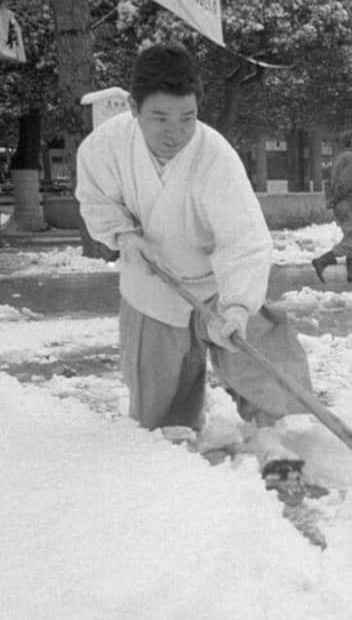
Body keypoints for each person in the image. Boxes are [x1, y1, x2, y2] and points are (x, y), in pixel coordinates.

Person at [75, 42, 312, 474]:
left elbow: (244, 240)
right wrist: (125, 235)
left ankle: (269, 435)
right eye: (159, 118)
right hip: (151, 281)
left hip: (215, 280)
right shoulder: (104, 147)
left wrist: (238, 307)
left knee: (258, 343)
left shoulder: (215, 156)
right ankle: (173, 451)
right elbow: (94, 201)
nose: (175, 132)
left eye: (187, 117)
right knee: (159, 401)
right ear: (133, 107)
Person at [311, 129, 352, 283]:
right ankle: (322, 261)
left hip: (341, 202)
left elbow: (328, 182)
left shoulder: (339, 158)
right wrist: (336, 199)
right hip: (348, 201)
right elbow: (345, 182)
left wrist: (331, 200)